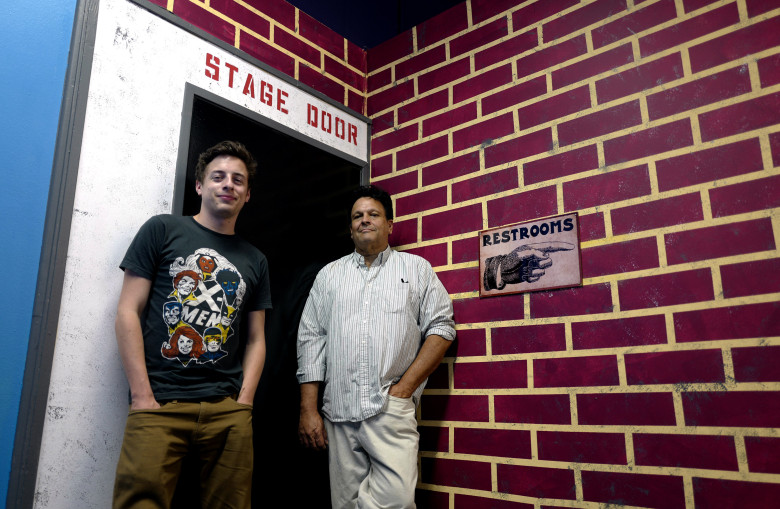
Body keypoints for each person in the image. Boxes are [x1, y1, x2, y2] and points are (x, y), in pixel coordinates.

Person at [112, 140, 271, 509]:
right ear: (199, 185)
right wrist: (142, 397)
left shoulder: (255, 260)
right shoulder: (162, 229)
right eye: (218, 177)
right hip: (160, 403)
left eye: (238, 180)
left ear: (247, 194)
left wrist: (244, 403)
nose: (228, 184)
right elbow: (127, 312)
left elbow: (256, 339)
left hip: (227, 411)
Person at [297, 185, 455, 509]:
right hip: (338, 413)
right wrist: (308, 409)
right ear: (350, 228)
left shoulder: (416, 269)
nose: (364, 220)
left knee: (396, 501)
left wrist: (404, 389)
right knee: (345, 503)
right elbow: (310, 339)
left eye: (373, 214)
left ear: (389, 224)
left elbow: (442, 328)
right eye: (358, 216)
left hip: (389, 409)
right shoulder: (328, 276)